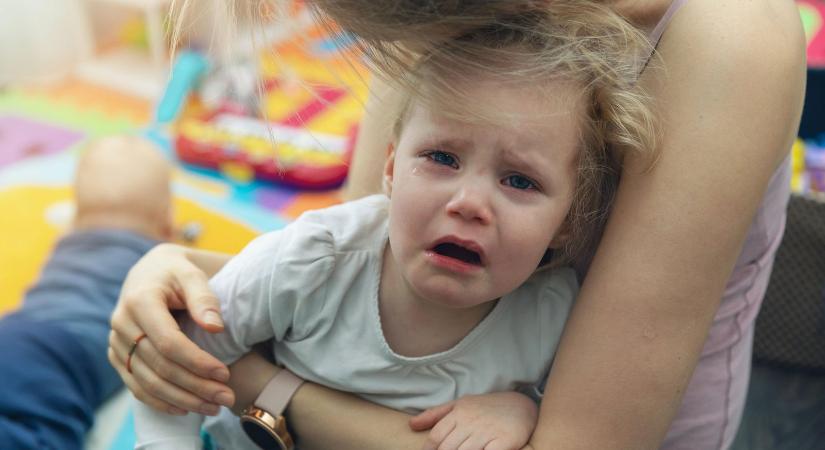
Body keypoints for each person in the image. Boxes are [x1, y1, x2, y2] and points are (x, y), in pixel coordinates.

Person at [109, 0, 807, 449]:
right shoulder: (431, 20)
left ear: (571, 219)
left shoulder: (729, 38)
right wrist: (181, 279)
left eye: (520, 181)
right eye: (441, 157)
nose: (471, 203)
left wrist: (253, 385)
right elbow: (361, 269)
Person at [0, 136, 172, 449]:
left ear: (76, 215)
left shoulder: (70, 240)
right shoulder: (159, 261)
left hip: (15, 330)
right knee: (42, 432)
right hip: (66, 352)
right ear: (165, 224)